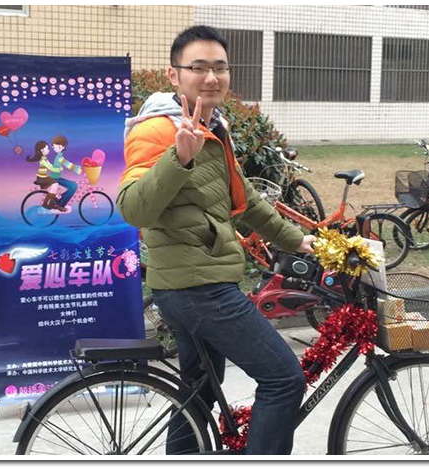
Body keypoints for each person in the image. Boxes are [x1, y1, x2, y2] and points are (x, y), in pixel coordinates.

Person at [116, 25, 315, 455]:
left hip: (195, 283)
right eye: (199, 67)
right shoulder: (157, 131)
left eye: (220, 68)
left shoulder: (213, 126)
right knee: (284, 379)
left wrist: (298, 241)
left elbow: (247, 201)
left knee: (201, 387)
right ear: (174, 75)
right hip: (199, 289)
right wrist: (179, 156)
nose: (211, 77)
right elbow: (133, 209)